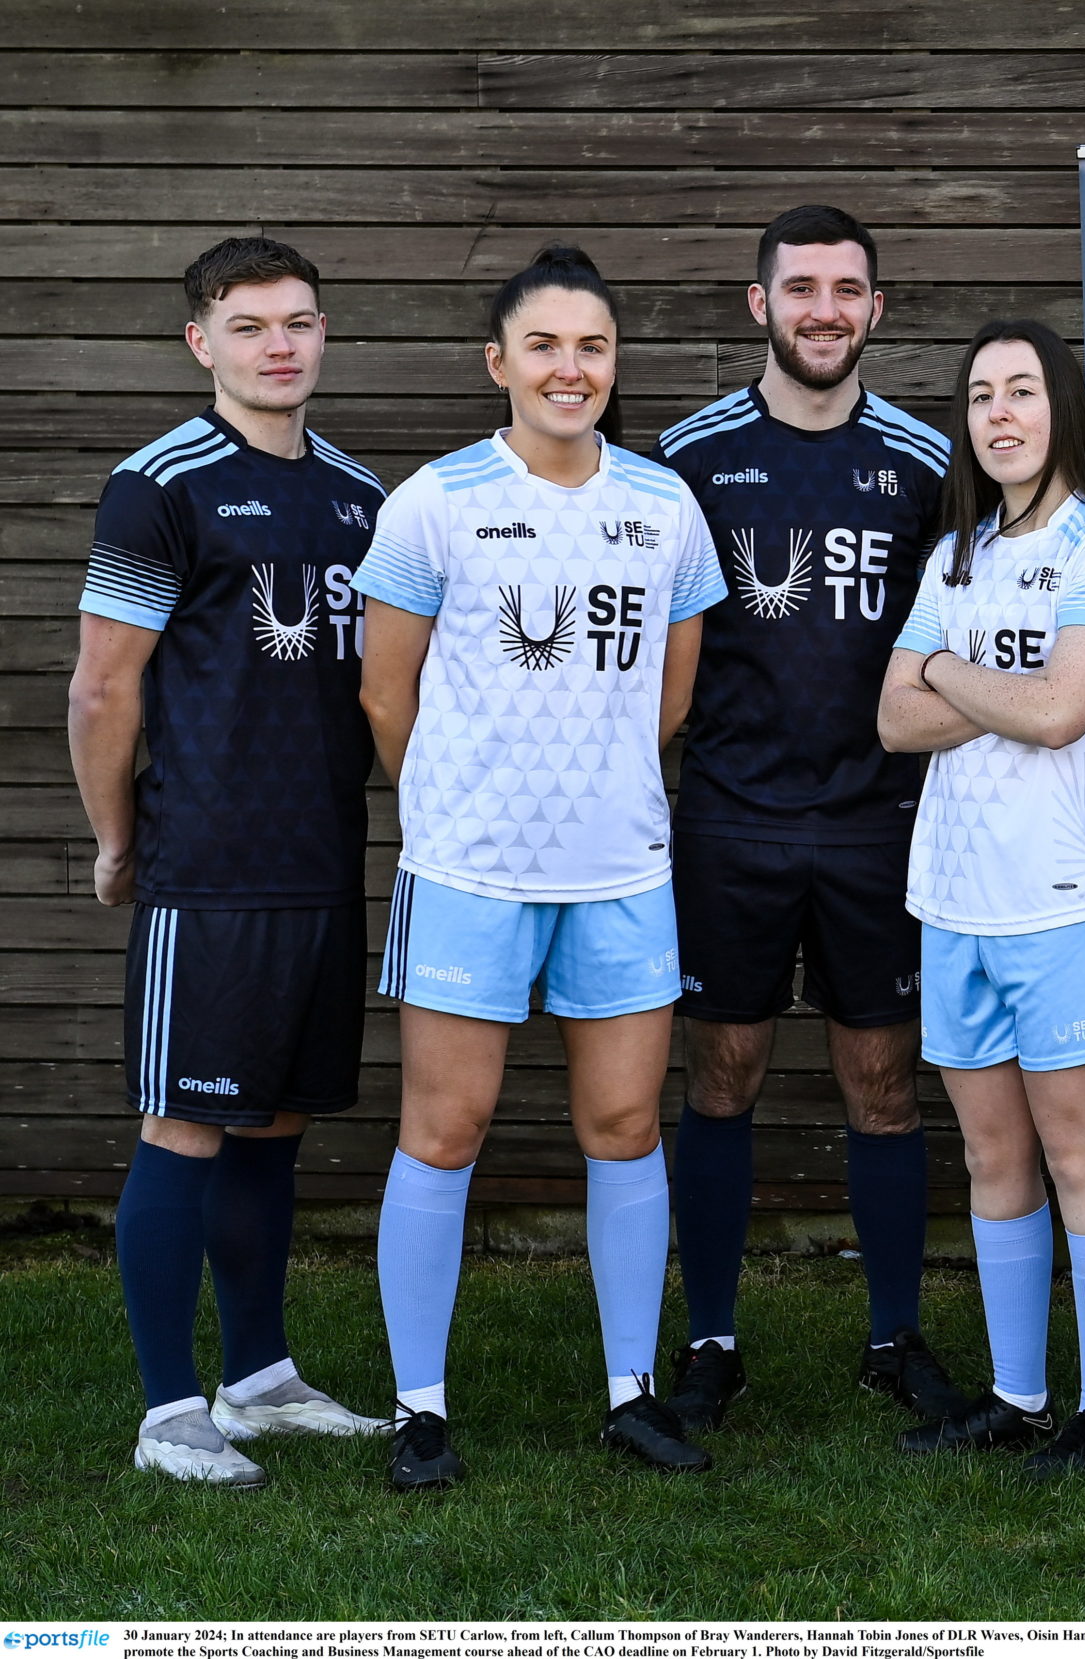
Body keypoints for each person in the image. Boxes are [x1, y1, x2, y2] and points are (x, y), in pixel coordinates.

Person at [354, 244, 727, 1490]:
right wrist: (461, 803)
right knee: (444, 1128)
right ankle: (418, 1409)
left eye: (594, 347)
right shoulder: (435, 501)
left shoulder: (664, 505)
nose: (572, 370)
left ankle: (631, 1393)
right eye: (547, 346)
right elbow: (386, 695)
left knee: (622, 1125)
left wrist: (592, 784)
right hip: (470, 871)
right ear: (498, 363)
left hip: (620, 870)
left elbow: (670, 696)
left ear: (614, 364)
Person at [69, 236, 389, 1486]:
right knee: (187, 1124)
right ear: (201, 341)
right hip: (207, 866)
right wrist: (118, 839)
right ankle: (167, 1415)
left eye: (298, 321)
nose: (279, 345)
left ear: (324, 333)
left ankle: (257, 1382)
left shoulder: (360, 494)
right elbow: (103, 688)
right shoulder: (158, 485)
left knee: (275, 1125)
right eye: (249, 325)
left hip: (322, 858)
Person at [652, 205, 965, 1435]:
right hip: (729, 819)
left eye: (846, 291)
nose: (823, 311)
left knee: (882, 1083)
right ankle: (711, 1340)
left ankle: (894, 1337)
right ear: (760, 304)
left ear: (876, 310)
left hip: (878, 822)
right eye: (801, 289)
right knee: (721, 1073)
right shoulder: (690, 458)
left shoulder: (926, 462)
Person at [877, 320, 1085, 1479]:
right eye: (982, 395)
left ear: (1062, 410)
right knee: (993, 1159)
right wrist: (991, 683)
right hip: (955, 897)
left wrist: (947, 668)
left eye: (1023, 392)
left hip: (1068, 900)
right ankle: (1017, 1396)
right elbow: (893, 721)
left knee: (1080, 1153)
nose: (1000, 414)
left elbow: (1061, 714)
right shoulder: (958, 556)